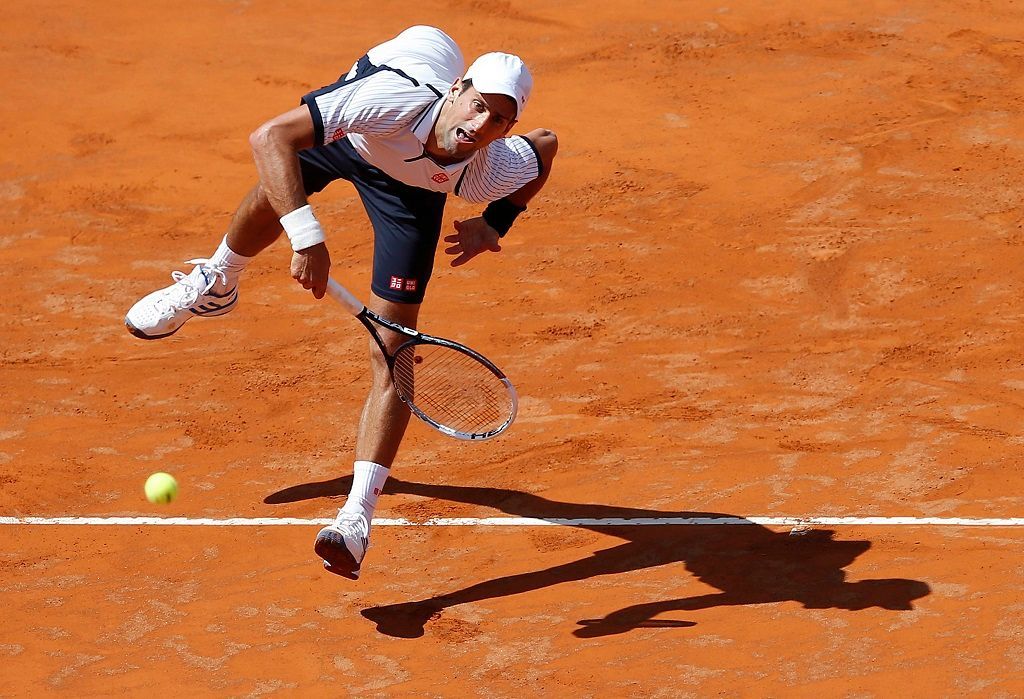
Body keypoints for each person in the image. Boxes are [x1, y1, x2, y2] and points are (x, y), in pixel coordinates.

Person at [124, 25, 558, 580]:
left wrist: (495, 221)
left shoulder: (488, 168)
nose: (479, 127)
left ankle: (357, 515)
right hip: (355, 140)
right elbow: (269, 138)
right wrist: (307, 237)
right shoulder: (390, 98)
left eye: (498, 120)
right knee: (281, 183)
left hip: (412, 193)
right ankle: (217, 281)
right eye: (476, 107)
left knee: (395, 354)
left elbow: (545, 147)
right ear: (455, 89)